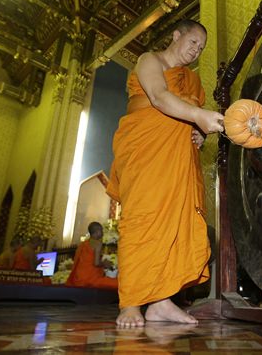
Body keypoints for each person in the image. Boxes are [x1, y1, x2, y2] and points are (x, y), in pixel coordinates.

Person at [106, 19, 224, 327]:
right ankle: (131, 302)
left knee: (173, 222)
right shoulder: (150, 60)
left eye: (201, 48)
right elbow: (158, 97)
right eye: (193, 41)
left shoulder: (190, 81)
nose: (196, 50)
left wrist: (201, 133)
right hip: (144, 149)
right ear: (176, 35)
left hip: (176, 156)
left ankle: (160, 303)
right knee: (142, 217)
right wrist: (198, 115)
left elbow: (191, 117)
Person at [65, 221, 118, 290]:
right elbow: (96, 263)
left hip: (78, 279)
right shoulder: (98, 243)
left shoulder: (83, 244)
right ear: (97, 232)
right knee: (118, 283)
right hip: (90, 279)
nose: (102, 233)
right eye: (101, 230)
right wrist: (104, 263)